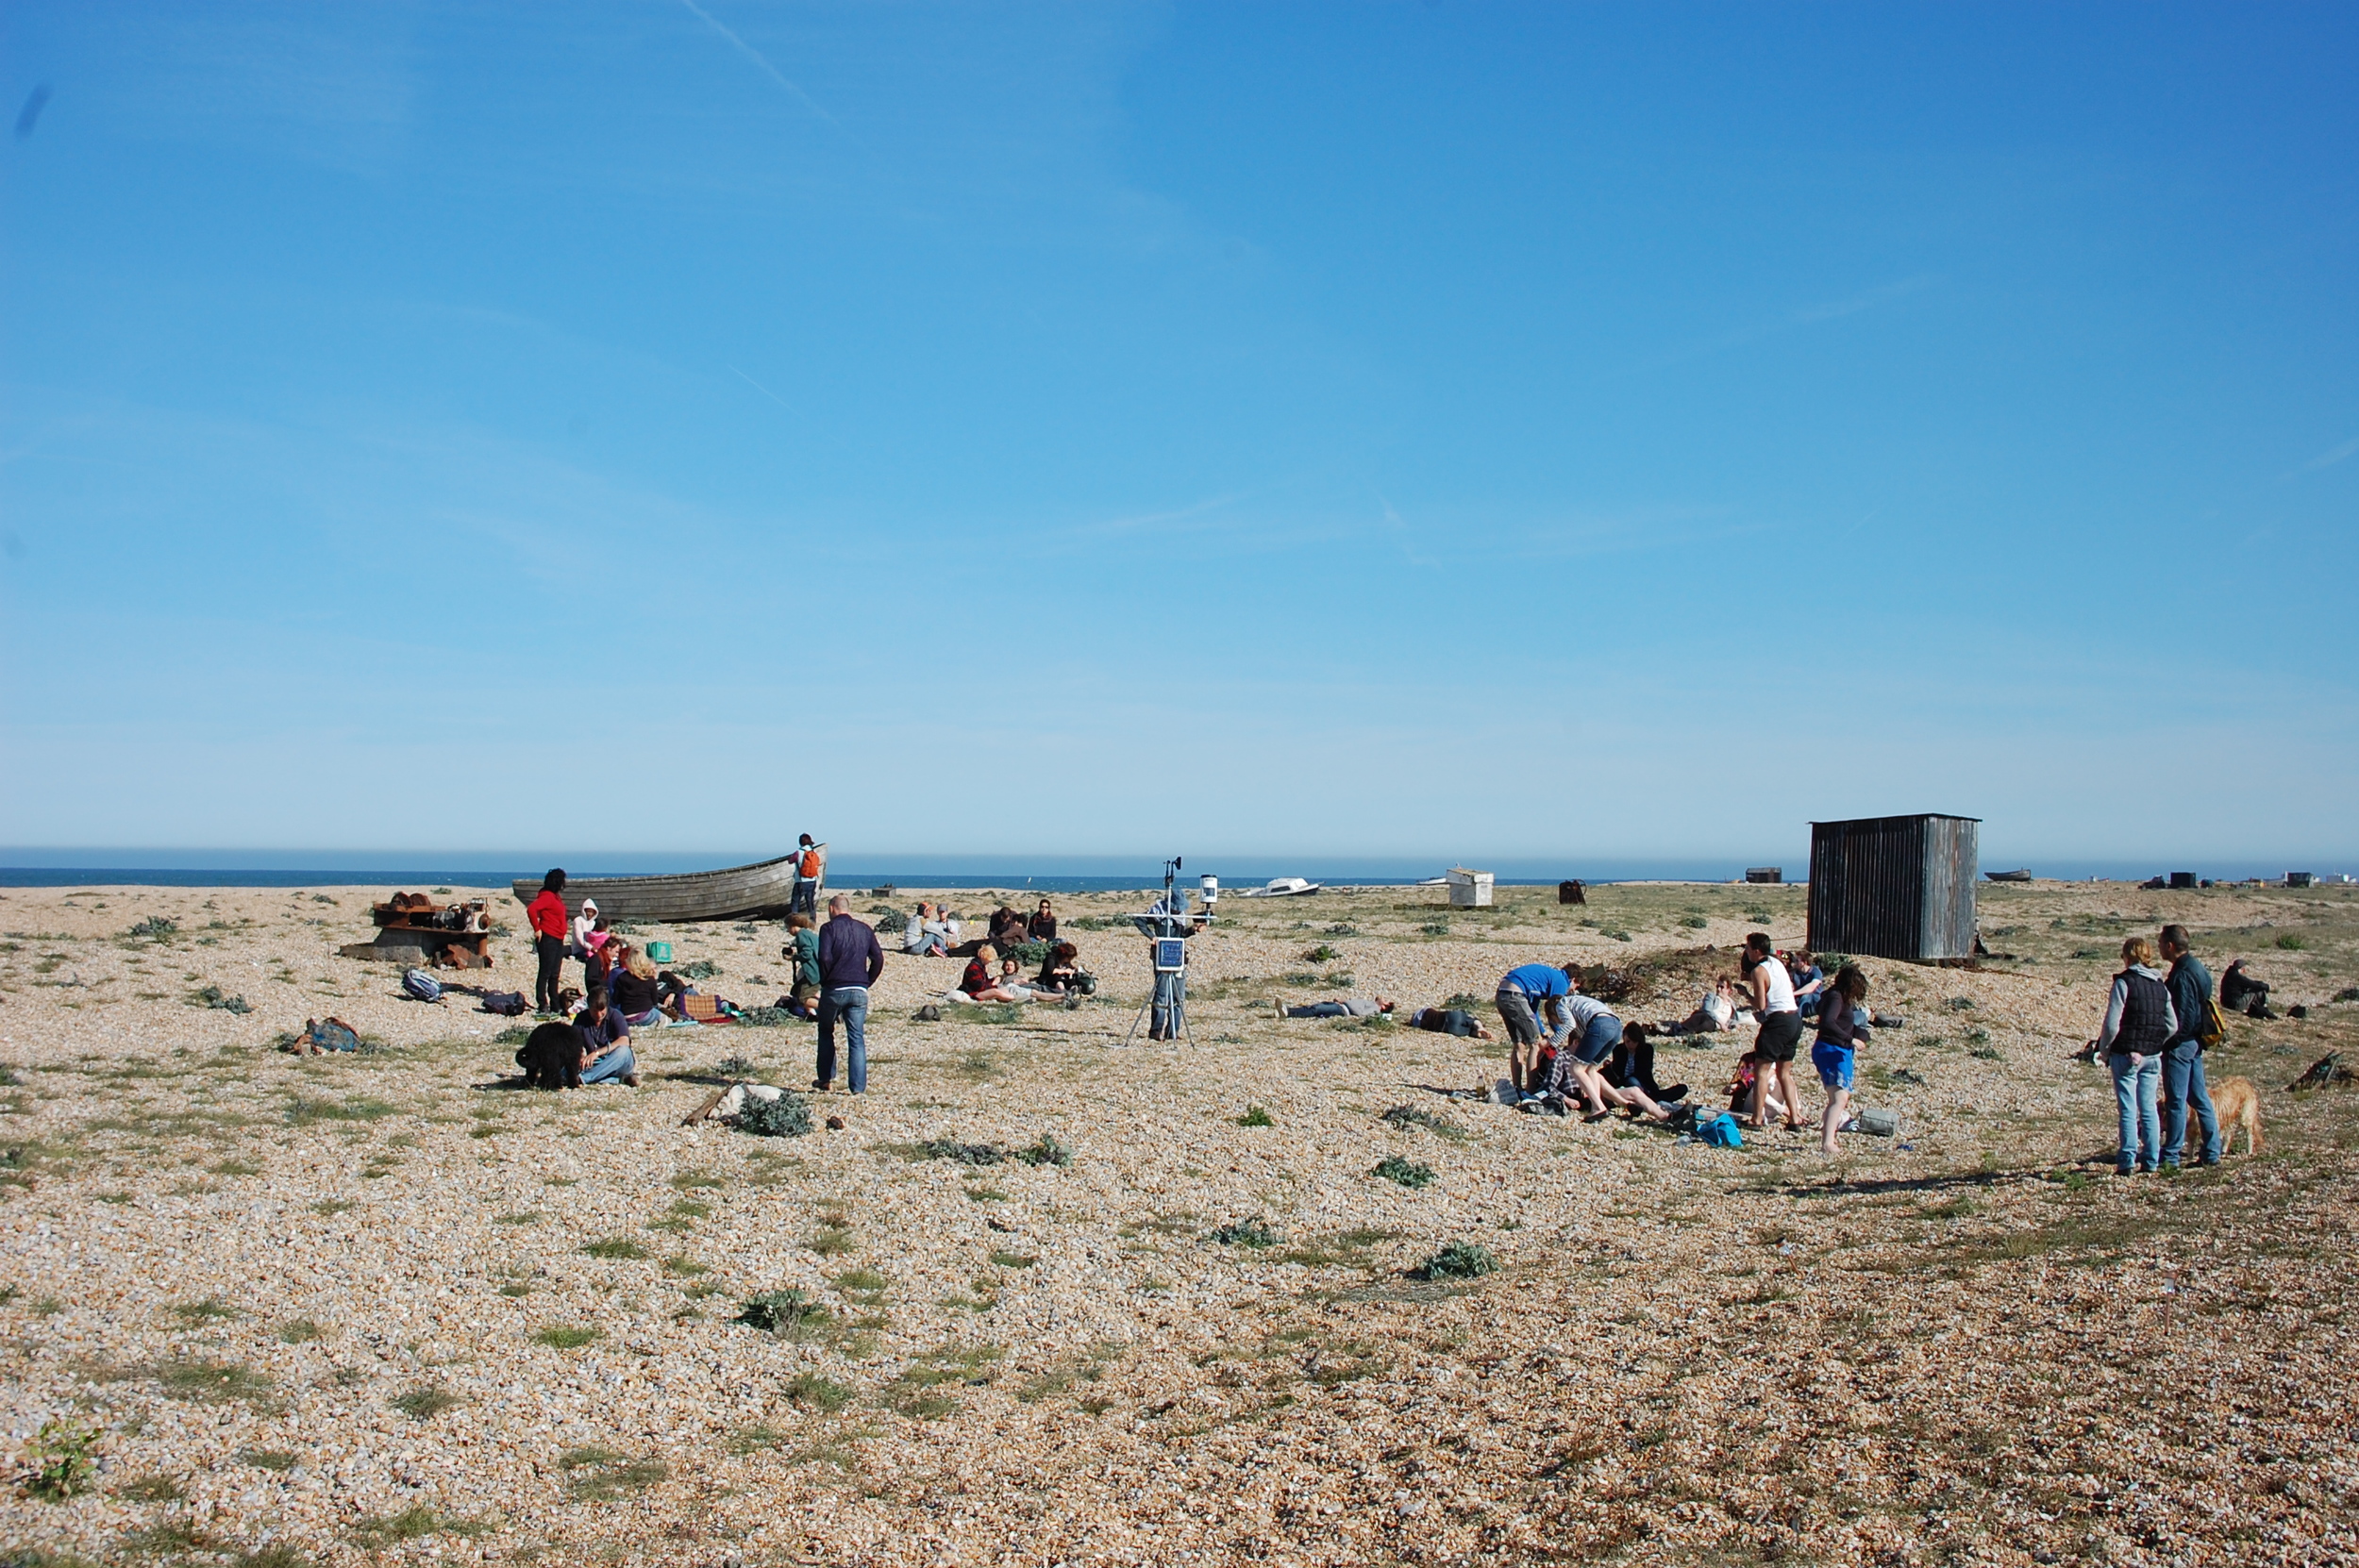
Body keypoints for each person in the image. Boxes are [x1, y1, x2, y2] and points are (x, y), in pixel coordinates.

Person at [2096, 936, 2178, 1176]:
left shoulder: (2124, 982)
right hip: (2152, 1055)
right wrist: (2156, 1042)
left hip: (2126, 1054)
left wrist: (2105, 1049)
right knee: (2149, 1109)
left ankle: (2127, 1160)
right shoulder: (2160, 985)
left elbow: (2112, 1024)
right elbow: (2172, 1025)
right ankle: (2151, 1160)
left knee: (2128, 1110)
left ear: (2127, 957)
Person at [2159, 925, 2220, 1169]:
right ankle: (2212, 1150)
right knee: (2199, 1097)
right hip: (2196, 1041)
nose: (2160, 948)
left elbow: (2181, 1016)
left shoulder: (2182, 974)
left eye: (2161, 943)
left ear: (2170, 946)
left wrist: (2169, 1042)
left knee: (2176, 1101)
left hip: (2182, 1044)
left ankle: (2172, 1155)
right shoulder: (2198, 967)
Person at [815, 893, 883, 1093]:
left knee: (826, 1030)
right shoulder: (864, 928)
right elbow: (878, 958)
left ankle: (826, 1078)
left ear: (831, 909)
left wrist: (826, 980)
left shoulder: (828, 928)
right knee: (856, 1038)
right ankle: (857, 1088)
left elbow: (825, 957)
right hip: (859, 989)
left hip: (835, 987)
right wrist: (867, 981)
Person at [1741, 934, 1805, 1131]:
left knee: (1761, 1070)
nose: (1747, 952)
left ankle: (1757, 1118)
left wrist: (1745, 994)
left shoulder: (1759, 971)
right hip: (1794, 1019)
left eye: (1749, 948)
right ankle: (1795, 1118)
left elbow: (1761, 1005)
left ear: (1756, 950)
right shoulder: (1776, 963)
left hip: (1777, 1021)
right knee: (1784, 1073)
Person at [1810, 963, 1869, 1157]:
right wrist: (1850, 1039)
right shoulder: (1836, 997)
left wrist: (1860, 1034)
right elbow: (1827, 1022)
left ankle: (1828, 1139)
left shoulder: (1833, 996)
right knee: (1839, 1097)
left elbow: (1838, 1021)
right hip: (1832, 1050)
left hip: (1831, 1049)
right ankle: (1828, 1142)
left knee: (1836, 1098)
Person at [1495, 961, 1574, 1095]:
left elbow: (1532, 1010)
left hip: (1502, 994)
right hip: (1516, 996)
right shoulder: (1562, 981)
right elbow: (1555, 1009)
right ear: (1573, 979)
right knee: (1535, 1045)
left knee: (1519, 1045)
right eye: (1576, 986)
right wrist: (1558, 1034)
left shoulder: (1543, 979)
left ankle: (1517, 1088)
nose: (1571, 990)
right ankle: (1530, 1092)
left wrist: (1542, 1031)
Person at [572, 987, 639, 1086]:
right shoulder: (581, 1019)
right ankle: (617, 1080)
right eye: (595, 1011)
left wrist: (597, 1053)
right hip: (596, 1063)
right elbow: (573, 1041)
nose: (599, 1015)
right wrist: (580, 1056)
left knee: (623, 1051)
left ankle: (584, 1078)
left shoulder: (616, 1016)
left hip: (617, 1061)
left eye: (602, 1010)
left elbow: (624, 1040)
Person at [526, 870, 570, 1016]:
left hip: (558, 937)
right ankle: (542, 1003)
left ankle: (555, 1004)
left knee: (555, 973)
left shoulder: (555, 897)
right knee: (546, 971)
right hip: (548, 937)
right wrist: (537, 928)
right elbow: (532, 909)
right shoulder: (548, 897)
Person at [607, 946, 664, 1027]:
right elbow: (654, 1001)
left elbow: (616, 1000)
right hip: (645, 1015)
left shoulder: (621, 977)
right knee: (661, 1015)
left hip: (627, 1017)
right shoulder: (649, 978)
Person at [781, 913, 822, 1019]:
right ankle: (812, 1015)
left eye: (787, 927)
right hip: (819, 969)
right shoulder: (808, 934)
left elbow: (807, 954)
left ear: (792, 926)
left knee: (802, 998)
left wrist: (793, 958)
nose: (788, 931)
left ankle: (828, 1008)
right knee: (797, 991)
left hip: (813, 972)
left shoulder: (801, 935)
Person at [956, 943, 1023, 1003]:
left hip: (977, 991)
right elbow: (981, 987)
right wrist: (993, 984)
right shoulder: (974, 968)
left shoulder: (980, 967)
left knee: (1001, 989)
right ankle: (1016, 999)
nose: (989, 962)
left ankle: (1018, 997)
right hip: (973, 993)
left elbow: (984, 983)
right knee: (995, 991)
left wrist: (994, 980)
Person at [790, 835, 826, 919]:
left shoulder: (798, 852)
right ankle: (812, 921)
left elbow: (790, 861)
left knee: (795, 902)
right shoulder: (813, 852)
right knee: (810, 902)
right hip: (812, 881)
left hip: (801, 881)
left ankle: (794, 921)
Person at [1410, 1006, 1495, 1040]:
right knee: (1469, 1021)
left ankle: (1476, 1032)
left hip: (1447, 1028)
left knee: (1468, 1032)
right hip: (1450, 1016)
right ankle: (1480, 1028)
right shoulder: (1426, 1010)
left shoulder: (1417, 1022)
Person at [1277, 995, 1395, 1020]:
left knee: (1316, 1009)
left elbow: (1361, 1013)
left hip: (1342, 1009)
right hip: (1341, 1006)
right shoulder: (1372, 1004)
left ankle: (1288, 1012)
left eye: (1386, 1000)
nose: (1383, 998)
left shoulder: (1375, 1008)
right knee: (1315, 1008)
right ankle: (1285, 1011)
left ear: (1385, 1006)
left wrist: (1345, 1003)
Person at [1787, 950, 1826, 1021]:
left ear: (1804, 963)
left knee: (1807, 995)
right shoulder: (1795, 972)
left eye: (1797, 960)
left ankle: (1797, 1019)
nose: (1794, 962)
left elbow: (1811, 987)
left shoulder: (1815, 971)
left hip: (1816, 1003)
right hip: (1800, 1002)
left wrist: (1793, 994)